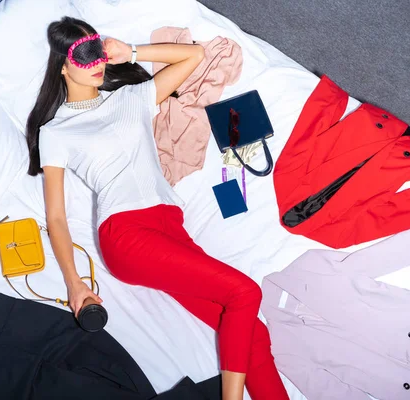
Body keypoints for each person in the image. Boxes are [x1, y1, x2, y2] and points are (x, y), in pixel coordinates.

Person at [25, 16, 289, 400]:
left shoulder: (130, 98)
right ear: (64, 67)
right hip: (127, 236)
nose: (96, 61)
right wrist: (75, 282)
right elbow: (56, 218)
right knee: (244, 293)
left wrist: (130, 51)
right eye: (84, 55)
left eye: (96, 50)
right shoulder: (56, 132)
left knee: (253, 332)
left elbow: (194, 56)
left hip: (170, 226)